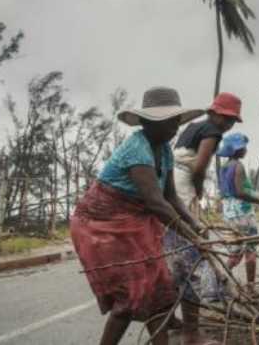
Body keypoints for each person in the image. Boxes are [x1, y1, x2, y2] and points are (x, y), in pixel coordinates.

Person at [69, 87, 207, 345]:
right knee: (132, 292)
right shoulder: (137, 148)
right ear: (147, 122)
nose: (174, 128)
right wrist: (193, 238)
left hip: (133, 223)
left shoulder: (165, 150)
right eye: (167, 122)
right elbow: (156, 203)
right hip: (102, 225)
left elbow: (172, 198)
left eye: (176, 121)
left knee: (158, 290)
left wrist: (195, 226)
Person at [163, 92, 241, 342]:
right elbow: (199, 168)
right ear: (215, 113)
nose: (229, 124)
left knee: (173, 260)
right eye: (227, 118)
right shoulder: (212, 131)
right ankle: (191, 335)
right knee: (190, 263)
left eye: (233, 121)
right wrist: (198, 191)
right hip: (182, 189)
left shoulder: (192, 127)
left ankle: (168, 320)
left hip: (169, 187)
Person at [217, 133, 259, 294]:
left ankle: (219, 285)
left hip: (229, 214)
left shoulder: (224, 167)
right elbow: (240, 192)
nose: (245, 149)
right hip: (244, 213)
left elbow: (227, 192)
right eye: (243, 147)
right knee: (251, 250)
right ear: (237, 149)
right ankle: (250, 289)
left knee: (234, 252)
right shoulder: (238, 166)